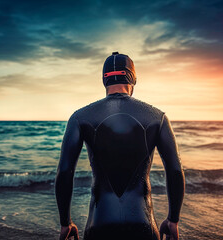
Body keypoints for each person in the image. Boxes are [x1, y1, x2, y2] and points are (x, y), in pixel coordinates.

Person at [55, 52, 185, 240]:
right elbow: (175, 171)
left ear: (104, 80)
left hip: (99, 224)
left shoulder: (80, 117)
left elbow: (65, 172)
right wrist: (173, 220)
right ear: (132, 78)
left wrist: (65, 223)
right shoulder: (158, 117)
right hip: (143, 224)